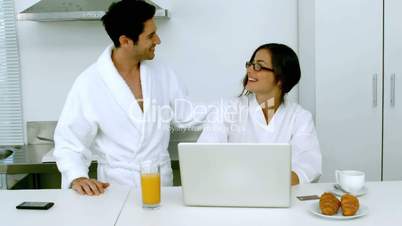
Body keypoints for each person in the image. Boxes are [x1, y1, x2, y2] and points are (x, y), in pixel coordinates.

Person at [54, 0, 205, 195]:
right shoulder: (90, 82)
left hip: (160, 186)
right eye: (151, 35)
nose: (158, 40)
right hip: (115, 190)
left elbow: (186, 115)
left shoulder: (162, 72)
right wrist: (77, 176)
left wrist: (236, 107)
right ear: (125, 41)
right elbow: (69, 140)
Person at [198, 43, 322, 185]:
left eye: (258, 66)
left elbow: (308, 166)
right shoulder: (227, 109)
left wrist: (268, 181)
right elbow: (205, 154)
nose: (250, 70)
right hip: (233, 192)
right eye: (250, 64)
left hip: (280, 195)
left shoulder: (300, 118)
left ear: (281, 79)